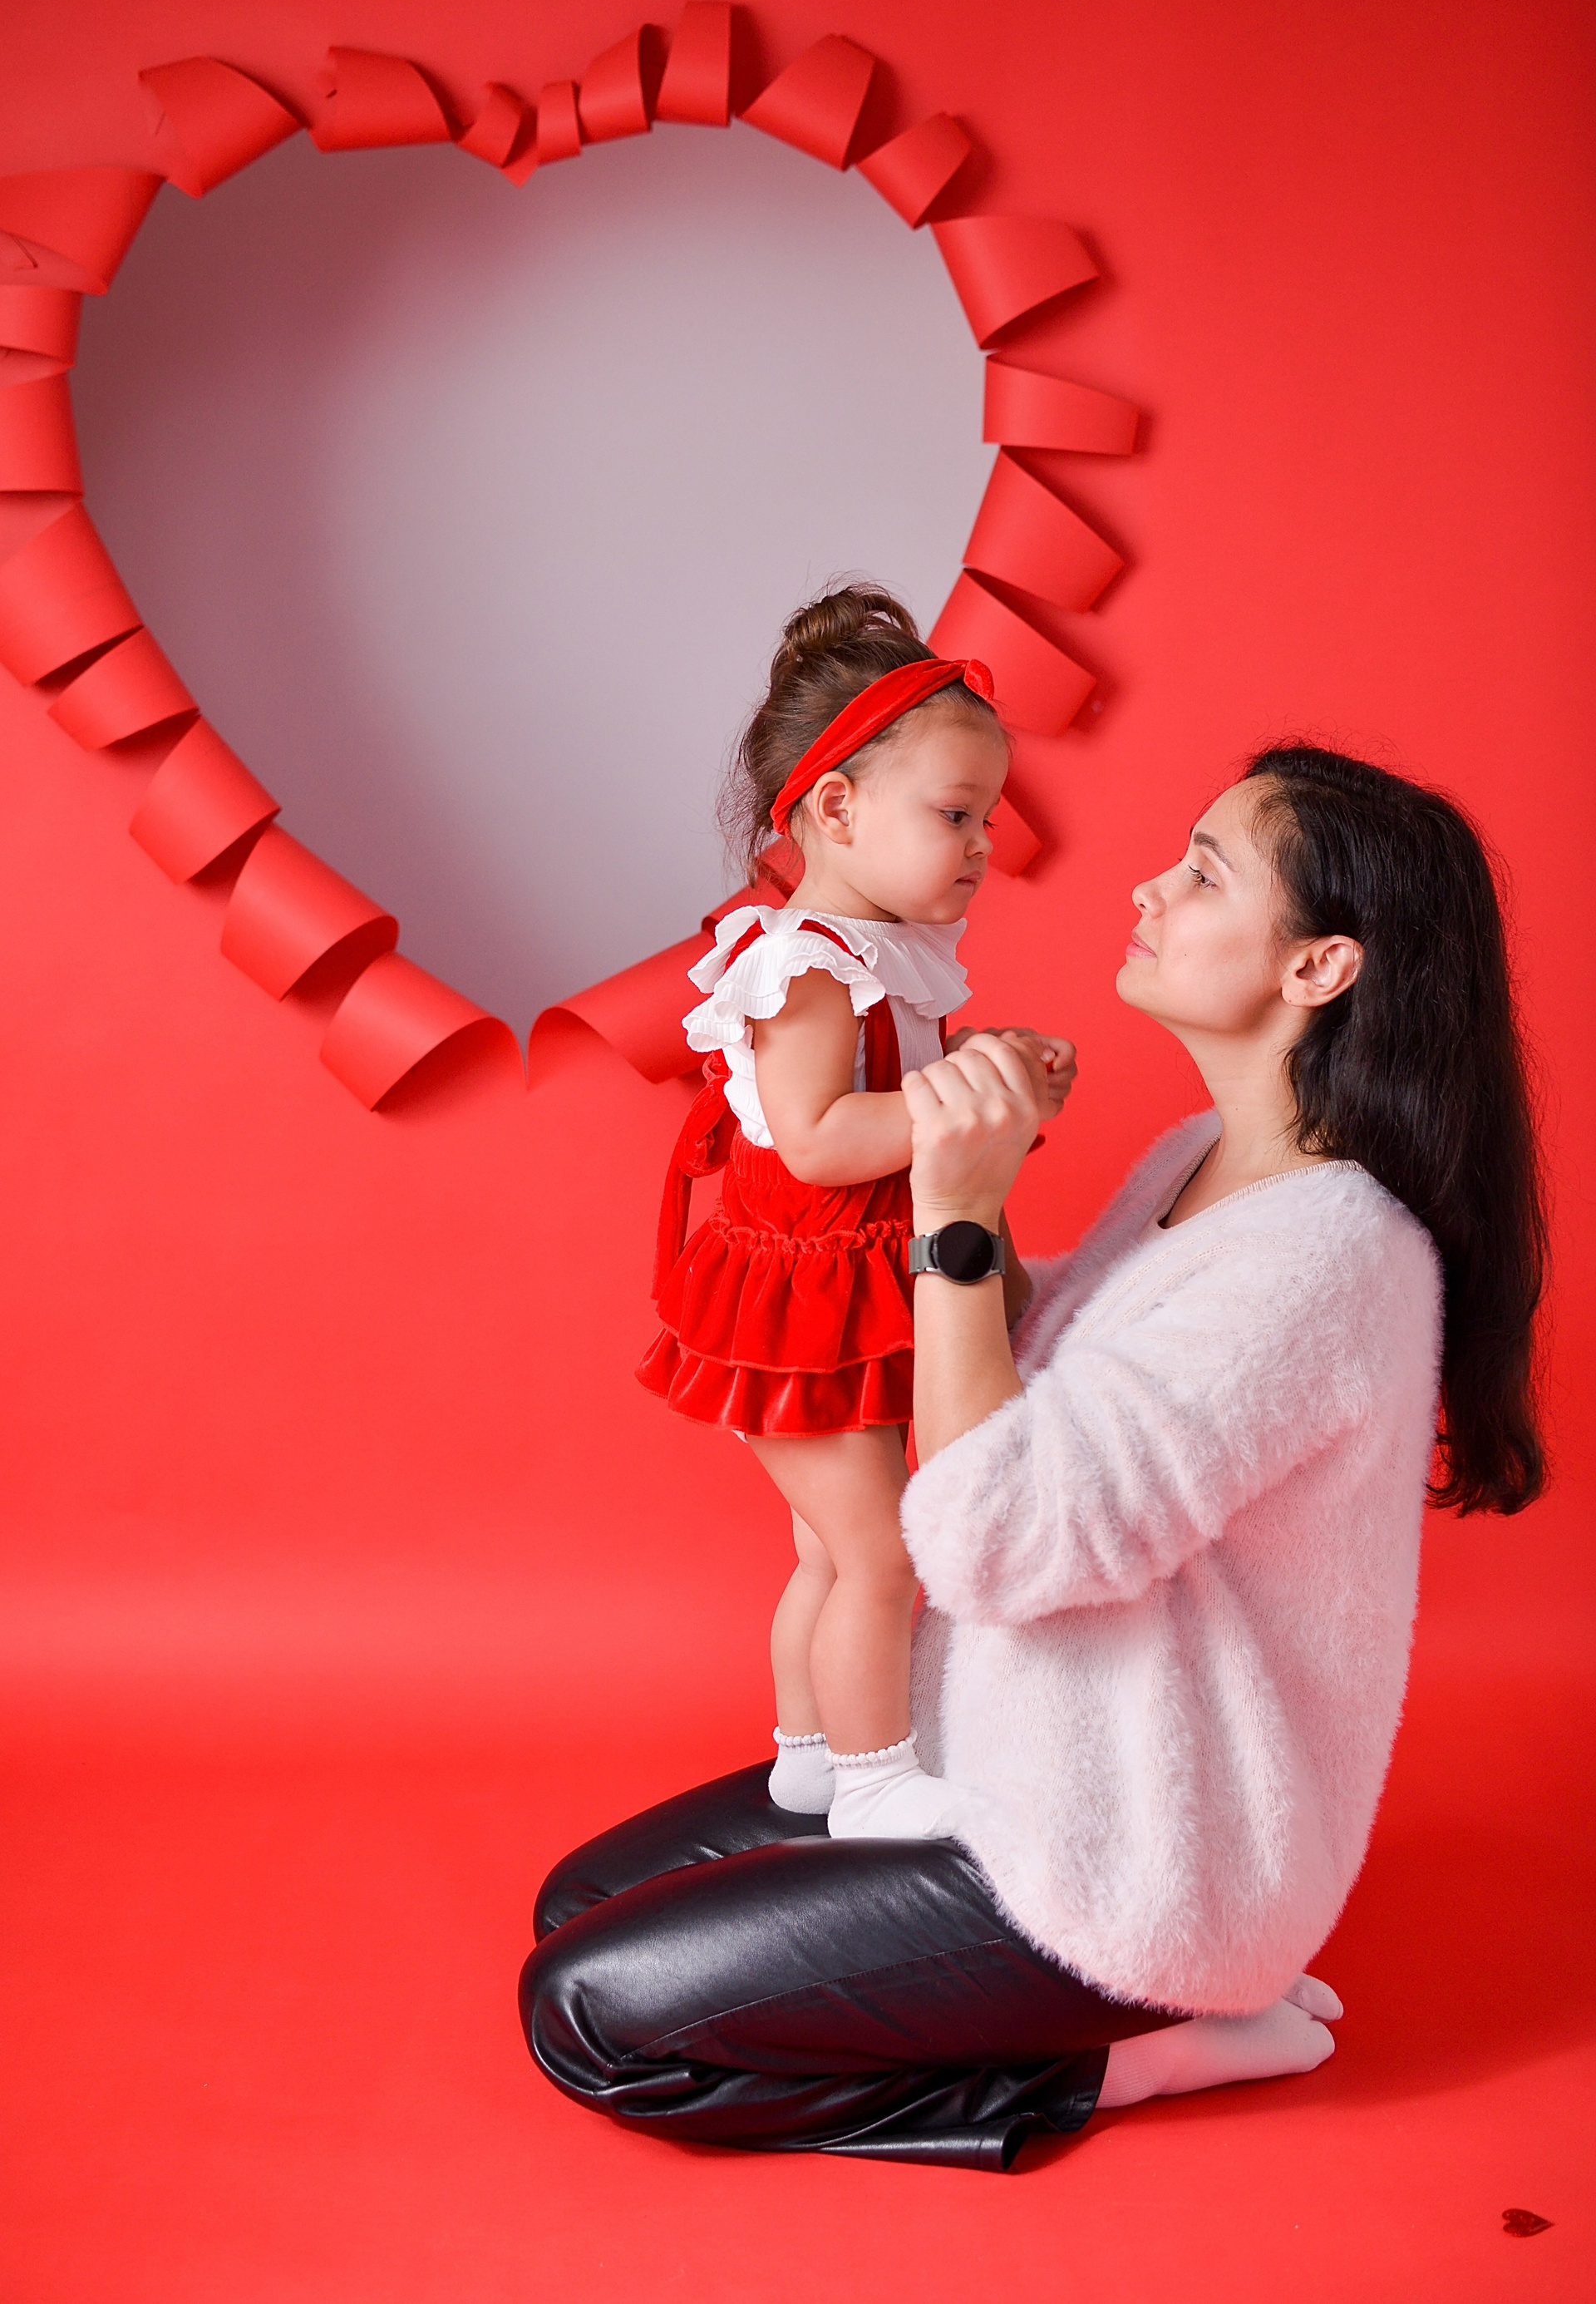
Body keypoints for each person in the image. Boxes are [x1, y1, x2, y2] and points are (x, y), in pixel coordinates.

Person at [522, 744, 1544, 2170]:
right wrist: (960, 1165)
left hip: (1122, 1867)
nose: (1149, 889)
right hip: (976, 1759)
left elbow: (993, 1542)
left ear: (1318, 969)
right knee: (574, 1910)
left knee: (586, 2016)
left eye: (1203, 877)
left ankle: (1116, 2056)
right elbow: (1051, 1353)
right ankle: (1088, 2020)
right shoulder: (1200, 1155)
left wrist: (952, 1216)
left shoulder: (1331, 1258)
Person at [639, 585, 1071, 1839]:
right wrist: (962, 1100)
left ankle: (809, 1758)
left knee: (833, 1556)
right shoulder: (805, 964)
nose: (981, 845)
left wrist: (988, 1064)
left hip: (850, 1288)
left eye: (986, 818)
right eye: (954, 814)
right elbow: (823, 1139)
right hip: (800, 1300)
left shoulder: (876, 953)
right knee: (883, 1555)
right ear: (836, 809)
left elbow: (889, 1098)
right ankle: (876, 1781)